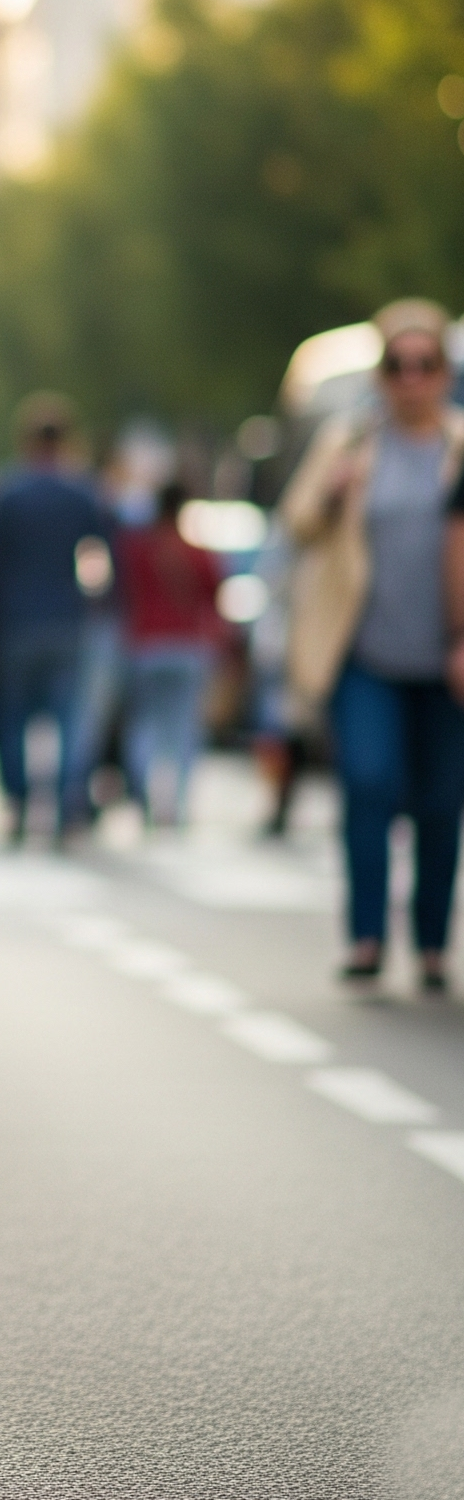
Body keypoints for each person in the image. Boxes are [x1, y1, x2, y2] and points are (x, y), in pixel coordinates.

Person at [285, 299, 464, 992]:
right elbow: (296, 524)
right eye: (398, 366)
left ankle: (429, 945)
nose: (412, 379)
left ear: (444, 373)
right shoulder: (349, 443)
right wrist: (329, 495)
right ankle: (365, 935)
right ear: (382, 376)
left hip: (447, 656)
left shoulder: (459, 446)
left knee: (443, 801)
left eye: (426, 365)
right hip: (365, 652)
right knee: (368, 781)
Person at [0, 392, 112, 843]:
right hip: (67, 619)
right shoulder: (81, 493)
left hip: (15, 620)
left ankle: (17, 802)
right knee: (68, 717)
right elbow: (100, 556)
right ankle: (64, 802)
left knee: (13, 716)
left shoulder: (8, 492)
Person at [115, 482, 223, 827]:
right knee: (184, 728)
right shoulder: (198, 552)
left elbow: (122, 593)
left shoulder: (136, 550)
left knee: (145, 722)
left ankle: (142, 793)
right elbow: (214, 597)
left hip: (145, 644)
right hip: (189, 646)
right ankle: (175, 803)